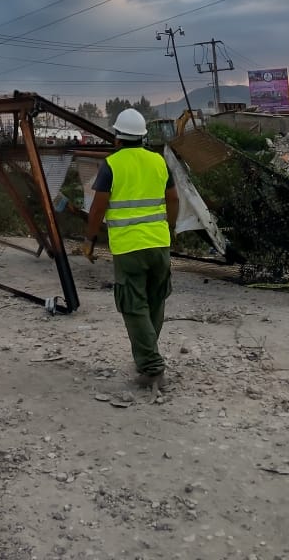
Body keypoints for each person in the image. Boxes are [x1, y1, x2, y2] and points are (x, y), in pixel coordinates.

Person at [83, 108, 179, 390]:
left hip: (129, 248)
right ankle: (147, 356)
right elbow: (172, 199)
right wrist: (169, 229)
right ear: (143, 137)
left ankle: (151, 367)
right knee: (155, 301)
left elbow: (98, 206)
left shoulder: (112, 165)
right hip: (159, 244)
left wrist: (89, 240)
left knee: (133, 306)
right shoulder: (159, 161)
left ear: (117, 137)